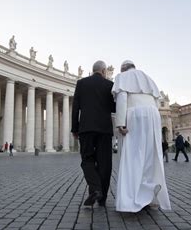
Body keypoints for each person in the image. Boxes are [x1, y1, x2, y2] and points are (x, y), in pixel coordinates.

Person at [112, 60, 171, 212]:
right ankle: (149, 193)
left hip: (135, 114)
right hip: (153, 115)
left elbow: (122, 98)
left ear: (123, 69)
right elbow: (156, 101)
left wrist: (120, 122)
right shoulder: (147, 78)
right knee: (150, 156)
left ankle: (130, 199)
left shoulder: (122, 77)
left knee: (132, 156)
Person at [71, 60, 116, 206]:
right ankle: (101, 198)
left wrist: (75, 128)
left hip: (86, 128)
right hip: (104, 129)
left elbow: (75, 107)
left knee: (87, 160)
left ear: (93, 70)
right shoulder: (110, 85)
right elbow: (114, 108)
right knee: (105, 163)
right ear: (104, 71)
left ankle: (95, 189)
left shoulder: (81, 83)